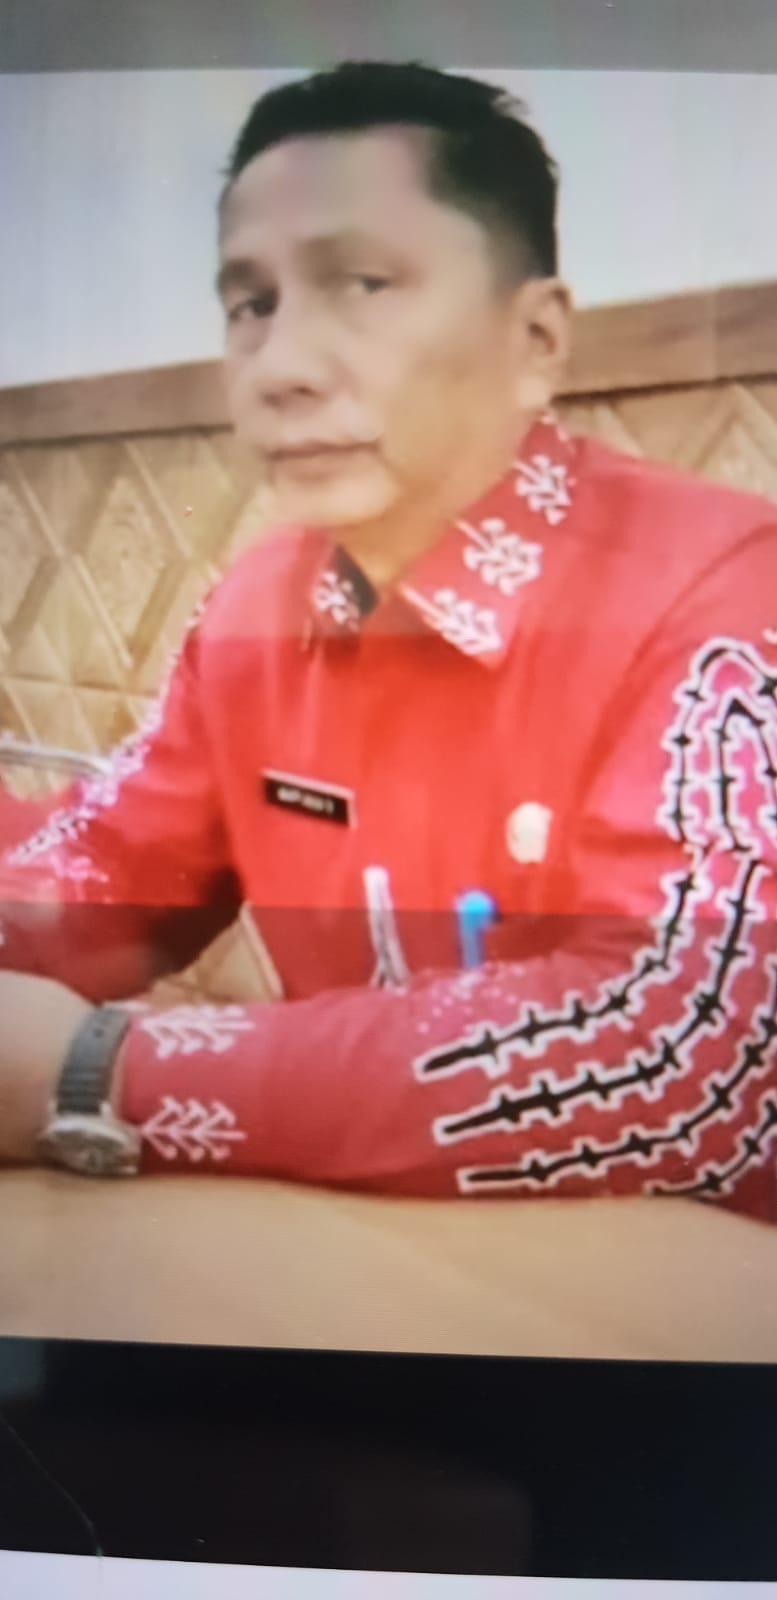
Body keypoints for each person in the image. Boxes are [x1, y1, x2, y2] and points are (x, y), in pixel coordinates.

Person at [0, 62, 775, 1215]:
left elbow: (691, 1052)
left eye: (363, 284)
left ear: (536, 339)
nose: (281, 368)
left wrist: (93, 1071)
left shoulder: (726, 588)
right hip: (352, 1276)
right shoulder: (254, 608)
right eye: (251, 304)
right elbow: (106, 872)